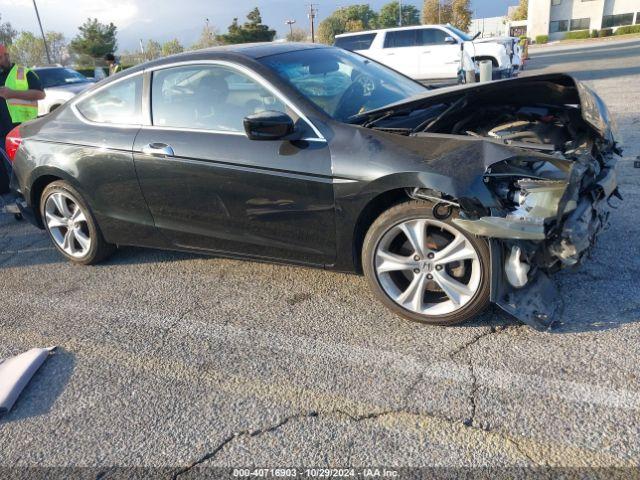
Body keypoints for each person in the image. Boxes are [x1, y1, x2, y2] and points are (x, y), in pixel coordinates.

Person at [0, 44, 45, 194]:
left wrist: (12, 93)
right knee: (8, 169)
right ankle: (15, 198)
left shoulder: (23, 72)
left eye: (0, 58)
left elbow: (40, 94)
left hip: (23, 128)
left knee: (25, 165)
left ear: (7, 56)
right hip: (2, 131)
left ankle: (28, 197)